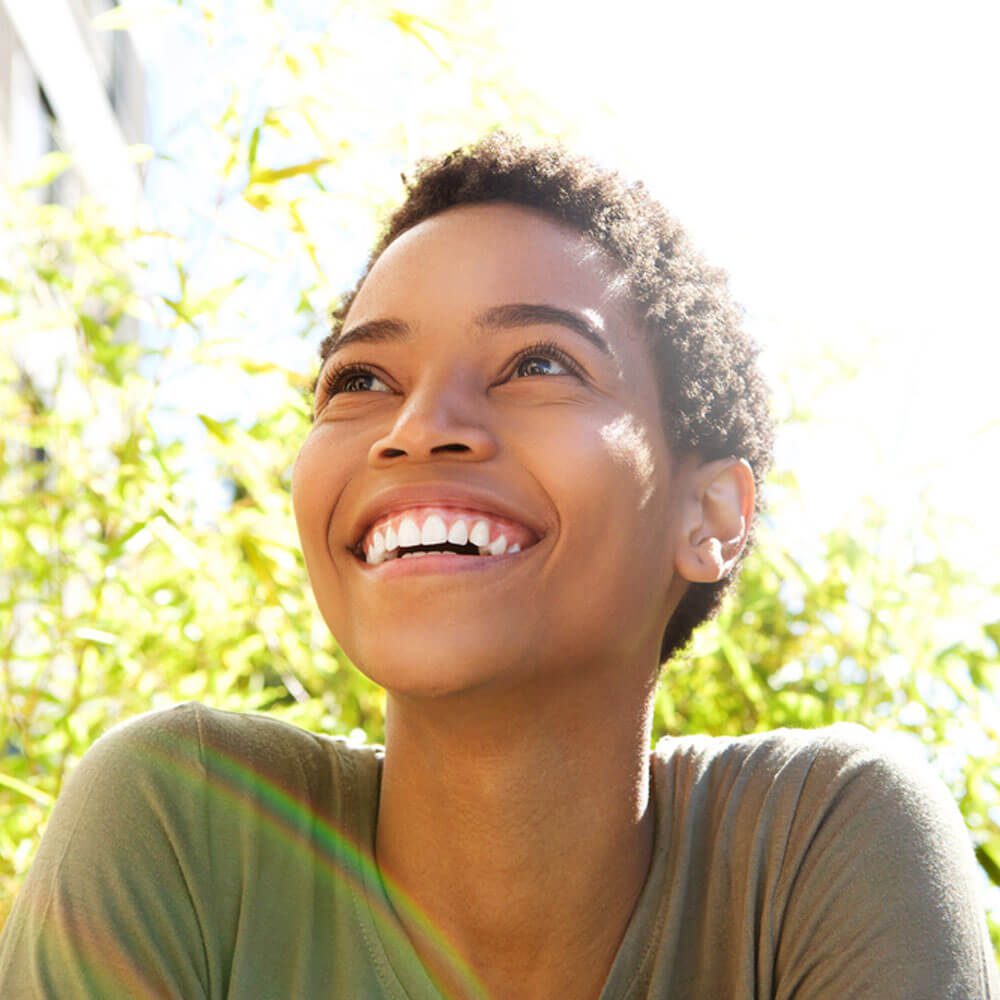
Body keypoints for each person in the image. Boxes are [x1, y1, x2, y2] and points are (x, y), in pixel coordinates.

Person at [0, 133, 996, 999]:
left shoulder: (818, 847)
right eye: (363, 379)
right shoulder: (185, 821)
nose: (419, 427)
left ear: (711, 514)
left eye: (538, 363)